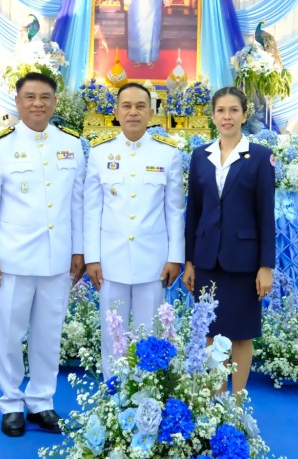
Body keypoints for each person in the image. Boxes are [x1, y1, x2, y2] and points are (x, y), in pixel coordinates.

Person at [0, 72, 86, 438]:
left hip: (57, 258)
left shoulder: (71, 143)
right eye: (30, 97)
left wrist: (79, 249)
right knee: (8, 333)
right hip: (12, 259)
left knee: (48, 334)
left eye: (45, 97)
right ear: (18, 102)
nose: (38, 103)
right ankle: (11, 403)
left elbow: (77, 202)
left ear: (55, 102)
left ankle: (41, 400)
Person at [84, 82, 185, 379]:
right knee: (112, 332)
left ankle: (147, 391)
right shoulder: (100, 152)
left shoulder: (167, 154)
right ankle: (113, 390)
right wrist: (92, 258)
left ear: (152, 113)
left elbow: (175, 211)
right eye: (126, 106)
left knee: (149, 332)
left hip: (152, 260)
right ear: (116, 112)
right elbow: (91, 210)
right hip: (109, 260)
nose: (133, 112)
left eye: (141, 106)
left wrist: (175, 257)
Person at [182, 86, 275, 395]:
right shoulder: (200, 156)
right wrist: (190, 262)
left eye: (234, 110)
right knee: (211, 332)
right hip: (207, 259)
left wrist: (266, 266)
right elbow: (194, 212)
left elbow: (266, 213)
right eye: (221, 110)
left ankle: (236, 402)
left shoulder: (259, 156)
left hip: (244, 261)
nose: (227, 116)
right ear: (212, 115)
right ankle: (217, 399)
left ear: (244, 115)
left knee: (241, 335)